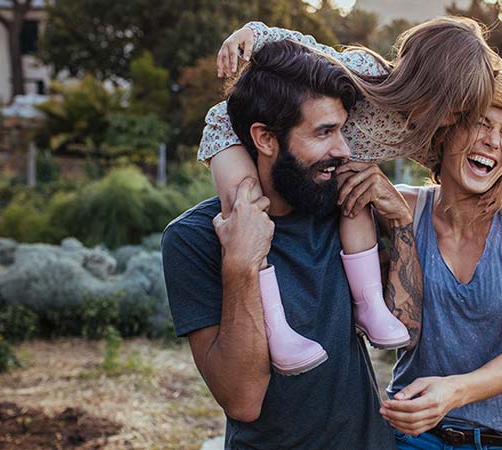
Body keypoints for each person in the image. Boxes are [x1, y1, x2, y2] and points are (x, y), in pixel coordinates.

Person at [161, 40, 423, 449]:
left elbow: (409, 326)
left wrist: (401, 222)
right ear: (265, 139)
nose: (344, 150)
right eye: (324, 133)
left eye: (342, 129)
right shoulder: (193, 239)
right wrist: (241, 264)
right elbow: (243, 401)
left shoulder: (340, 207)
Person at [199, 17, 500, 371]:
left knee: (357, 196)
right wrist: (254, 34)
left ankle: (369, 303)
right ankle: (275, 327)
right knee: (245, 207)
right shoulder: (365, 72)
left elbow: (453, 159)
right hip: (234, 130)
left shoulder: (421, 128)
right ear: (426, 85)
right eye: (451, 108)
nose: (451, 120)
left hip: (326, 160)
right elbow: (306, 48)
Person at [361, 68, 502, 449]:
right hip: (410, 435)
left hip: (501, 440)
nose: (492, 142)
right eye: (480, 124)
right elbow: (345, 124)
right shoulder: (401, 207)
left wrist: (453, 392)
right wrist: (264, 38)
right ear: (446, 130)